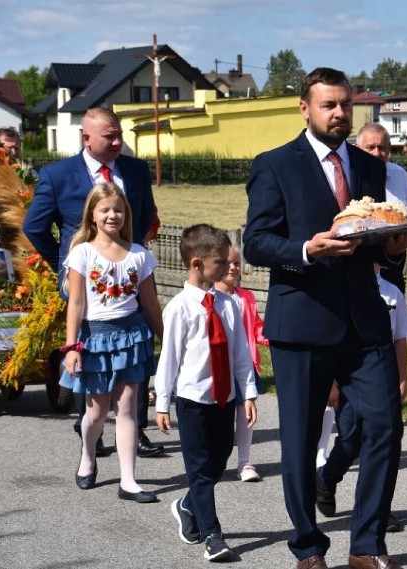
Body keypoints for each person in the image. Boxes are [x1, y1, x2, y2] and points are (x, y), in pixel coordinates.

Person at [243, 67, 407, 569]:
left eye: (345, 105)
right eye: (328, 105)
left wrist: (397, 248)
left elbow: (378, 239)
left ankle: (366, 547)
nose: (339, 114)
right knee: (297, 439)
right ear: (305, 109)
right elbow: (256, 242)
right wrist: (306, 250)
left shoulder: (369, 164)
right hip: (303, 321)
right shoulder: (274, 165)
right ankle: (308, 548)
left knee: (384, 426)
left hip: (364, 320)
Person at [23, 107, 163, 458]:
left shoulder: (135, 169)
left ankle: (135, 426)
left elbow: (145, 214)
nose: (118, 142)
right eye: (109, 137)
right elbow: (34, 227)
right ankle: (93, 423)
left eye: (120, 135)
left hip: (128, 271)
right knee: (93, 344)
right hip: (86, 276)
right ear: (87, 138)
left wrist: (132, 250)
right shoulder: (58, 175)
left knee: (137, 338)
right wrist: (66, 261)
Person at [155, 224, 258, 562]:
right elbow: (169, 358)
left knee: (219, 461)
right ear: (197, 264)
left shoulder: (229, 305)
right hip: (193, 401)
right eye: (219, 262)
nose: (227, 267)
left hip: (224, 398)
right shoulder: (180, 308)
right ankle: (213, 536)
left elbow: (241, 354)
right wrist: (162, 402)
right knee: (200, 470)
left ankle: (186, 505)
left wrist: (249, 393)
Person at [59, 183, 162, 504]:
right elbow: (75, 303)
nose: (112, 215)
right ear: (92, 214)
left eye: (118, 209)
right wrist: (71, 347)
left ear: (126, 214)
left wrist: (167, 342)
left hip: (132, 336)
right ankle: (88, 455)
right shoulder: (82, 253)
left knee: (128, 408)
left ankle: (129, 481)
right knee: (98, 412)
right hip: (95, 338)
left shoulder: (139, 254)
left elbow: (151, 303)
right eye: (105, 209)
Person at [315, 262, 407, 533]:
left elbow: (400, 338)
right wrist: (331, 383)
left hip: (381, 379)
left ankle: (378, 509)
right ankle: (326, 477)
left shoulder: (392, 292)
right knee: (351, 439)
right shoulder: (341, 289)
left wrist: (402, 379)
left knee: (382, 442)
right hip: (349, 380)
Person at [214, 246, 268, 483]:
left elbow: (257, 327)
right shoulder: (210, 297)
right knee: (218, 418)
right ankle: (215, 460)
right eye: (227, 263)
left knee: (246, 415)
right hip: (217, 368)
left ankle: (244, 462)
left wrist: (274, 336)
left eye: (236, 263)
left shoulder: (246, 297)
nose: (233, 267)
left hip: (244, 366)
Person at [355, 123, 407, 292]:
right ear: (356, 148)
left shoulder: (399, 175)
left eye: (382, 148)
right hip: (357, 271)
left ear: (389, 150)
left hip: (393, 268)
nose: (377, 153)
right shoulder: (347, 177)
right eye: (370, 147)